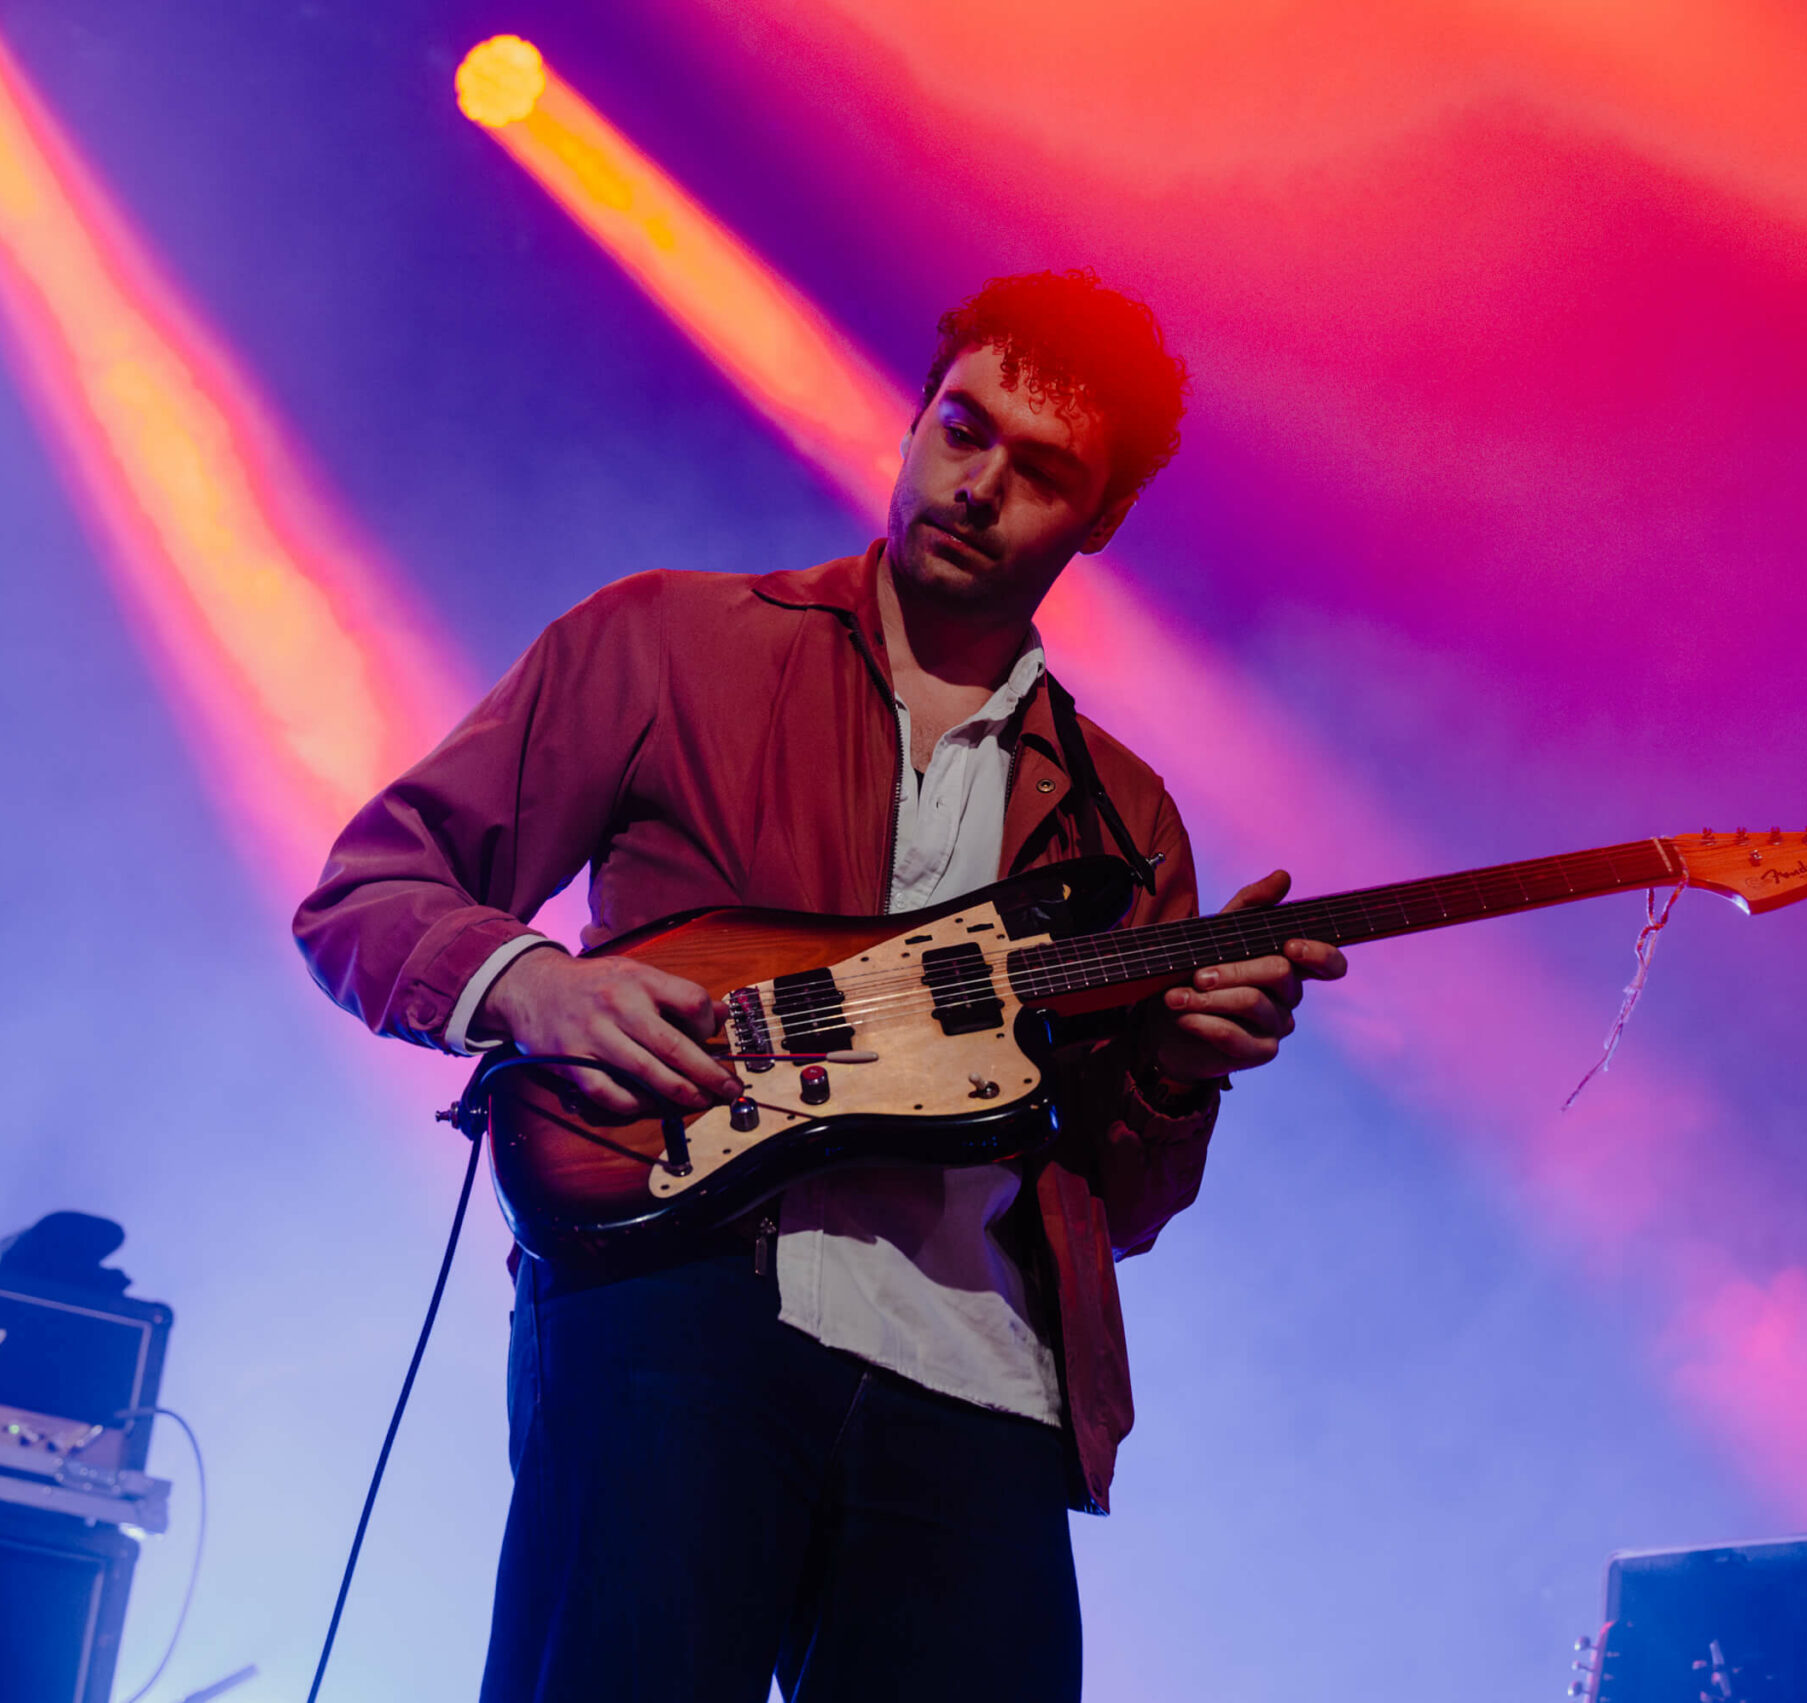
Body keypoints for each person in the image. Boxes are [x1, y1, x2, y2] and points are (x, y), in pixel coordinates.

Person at [293, 269, 1346, 1702]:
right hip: (678, 1298)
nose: (977, 487)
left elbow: (1125, 1203)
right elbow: (368, 892)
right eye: (962, 430)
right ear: (913, 420)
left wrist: (1177, 1070)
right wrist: (536, 985)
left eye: (1039, 474)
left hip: (981, 1381)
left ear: (1097, 526)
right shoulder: (670, 643)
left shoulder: (1129, 824)